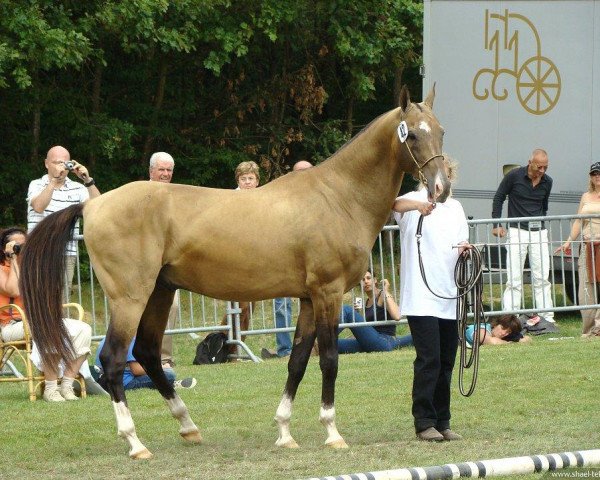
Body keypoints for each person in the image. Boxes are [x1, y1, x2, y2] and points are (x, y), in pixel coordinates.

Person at [392, 154, 469, 442]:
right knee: (429, 359)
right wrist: (421, 205)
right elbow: (394, 205)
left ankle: (442, 419)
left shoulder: (456, 207)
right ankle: (424, 421)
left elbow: (461, 238)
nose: (440, 178)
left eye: (445, 173)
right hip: (421, 296)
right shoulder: (412, 200)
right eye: (436, 173)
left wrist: (465, 248)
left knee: (447, 359)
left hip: (449, 294)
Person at [0, 227, 104, 401]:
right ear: (5, 249)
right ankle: (50, 388)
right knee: (48, 327)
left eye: (25, 245)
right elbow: (13, 289)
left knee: (83, 329)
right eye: (17, 245)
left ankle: (67, 384)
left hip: (36, 322)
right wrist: (13, 259)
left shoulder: (31, 270)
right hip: (11, 326)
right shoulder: (3, 269)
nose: (21, 248)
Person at [491, 148, 556, 328]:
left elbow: (544, 206)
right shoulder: (514, 176)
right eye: (539, 167)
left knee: (542, 276)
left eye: (545, 167)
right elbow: (499, 197)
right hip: (517, 229)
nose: (542, 171)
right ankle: (510, 318)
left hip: (539, 232)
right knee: (514, 277)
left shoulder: (548, 182)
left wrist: (541, 225)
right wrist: (497, 224)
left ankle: (547, 317)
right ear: (530, 163)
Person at [27, 145, 101, 301]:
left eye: (65, 163)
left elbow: (99, 208)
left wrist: (87, 180)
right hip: (38, 251)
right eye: (56, 162)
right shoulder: (36, 184)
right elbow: (39, 206)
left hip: (66, 253)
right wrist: (53, 182)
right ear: (46, 163)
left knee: (62, 300)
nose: (61, 166)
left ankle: (60, 325)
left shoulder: (78, 188)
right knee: (38, 297)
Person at [262, 160, 314, 359]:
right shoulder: (283, 198)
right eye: (299, 172)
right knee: (282, 307)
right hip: (282, 265)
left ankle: (308, 347)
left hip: (305, 267)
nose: (303, 176)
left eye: (308, 172)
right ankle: (284, 348)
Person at [556, 161, 600, 337]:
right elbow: (578, 221)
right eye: (594, 173)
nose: (597, 176)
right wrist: (568, 242)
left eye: (599, 173)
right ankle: (588, 330)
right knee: (586, 291)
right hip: (587, 245)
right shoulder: (585, 196)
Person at [148, 152, 179, 367]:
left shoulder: (175, 195)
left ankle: (164, 358)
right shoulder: (141, 193)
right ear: (151, 171)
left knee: (172, 307)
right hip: (146, 262)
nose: (165, 174)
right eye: (162, 169)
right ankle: (139, 358)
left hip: (169, 264)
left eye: (169, 170)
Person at [337, 270, 412, 353]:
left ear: (375, 280)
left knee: (347, 310)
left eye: (368, 278)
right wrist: (356, 316)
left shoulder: (382, 295)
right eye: (362, 280)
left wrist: (385, 291)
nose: (366, 281)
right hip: (372, 342)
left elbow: (397, 316)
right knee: (331, 344)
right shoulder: (367, 302)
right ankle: (322, 342)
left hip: (384, 341)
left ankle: (325, 335)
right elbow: (370, 330)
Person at [95, 336, 196, 390]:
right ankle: (171, 384)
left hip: (104, 381)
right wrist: (162, 367)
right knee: (169, 374)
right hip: (123, 383)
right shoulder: (131, 339)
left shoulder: (111, 335)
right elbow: (136, 370)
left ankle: (166, 384)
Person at [465, 314, 531, 346]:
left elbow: (527, 339)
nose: (504, 333)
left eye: (508, 332)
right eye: (503, 328)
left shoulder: (505, 336)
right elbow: (491, 341)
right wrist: (509, 343)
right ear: (496, 324)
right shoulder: (481, 329)